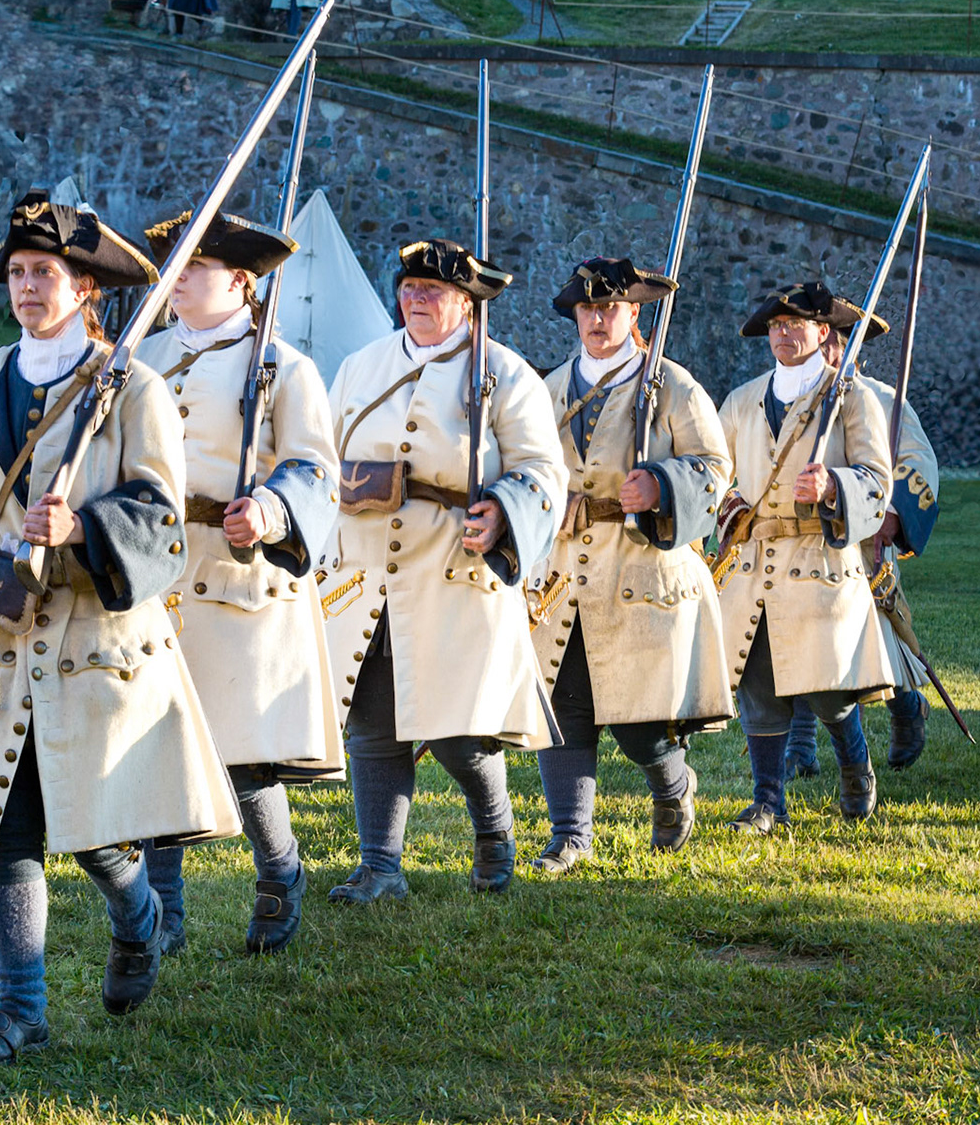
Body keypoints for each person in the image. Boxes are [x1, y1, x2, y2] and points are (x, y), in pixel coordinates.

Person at [0, 189, 240, 1065]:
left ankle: (141, 916)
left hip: (95, 646)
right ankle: (22, 1007)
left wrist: (80, 528)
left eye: (45, 272)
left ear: (87, 289)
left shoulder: (135, 389)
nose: (27, 287)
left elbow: (159, 519)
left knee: (92, 830)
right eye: (16, 272)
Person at [323, 238, 566, 902]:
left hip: (457, 571)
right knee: (372, 727)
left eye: (433, 290)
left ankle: (494, 833)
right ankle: (381, 869)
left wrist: (504, 511)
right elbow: (322, 455)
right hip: (367, 569)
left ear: (467, 300)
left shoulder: (504, 373)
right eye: (409, 286)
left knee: (459, 731)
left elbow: (545, 473)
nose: (417, 298)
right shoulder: (360, 366)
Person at [134, 211, 342, 956]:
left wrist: (274, 507)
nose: (177, 275)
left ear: (241, 281)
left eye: (196, 263)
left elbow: (317, 467)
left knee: (243, 759)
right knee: (157, 746)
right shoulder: (140, 357)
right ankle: (165, 915)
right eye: (174, 263)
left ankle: (280, 872)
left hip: (241, 579)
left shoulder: (284, 366)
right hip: (154, 570)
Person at [527, 257, 733, 874]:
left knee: (638, 718)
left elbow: (716, 467)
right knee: (564, 706)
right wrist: (544, 496)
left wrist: (663, 485)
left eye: (609, 307)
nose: (597, 318)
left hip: (644, 573)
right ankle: (571, 835)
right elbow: (523, 463)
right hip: (562, 575)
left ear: (633, 313)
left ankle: (673, 788)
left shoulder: (670, 383)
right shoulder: (548, 389)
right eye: (587, 308)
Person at [711, 281, 901, 834]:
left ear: (823, 332)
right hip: (753, 563)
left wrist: (833, 485)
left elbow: (877, 480)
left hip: (821, 559)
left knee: (828, 689)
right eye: (775, 325)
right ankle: (768, 801)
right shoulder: (743, 400)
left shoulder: (850, 396)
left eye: (795, 324)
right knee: (758, 687)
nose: (783, 333)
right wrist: (729, 510)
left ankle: (854, 762)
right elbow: (714, 473)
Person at [784, 304, 942, 779]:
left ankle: (907, 708)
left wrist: (888, 519)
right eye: (823, 336)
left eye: (838, 338)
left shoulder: (882, 400)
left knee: (877, 648)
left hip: (864, 544)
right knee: (801, 638)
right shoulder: (792, 397)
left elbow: (918, 468)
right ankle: (801, 746)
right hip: (802, 546)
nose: (829, 347)